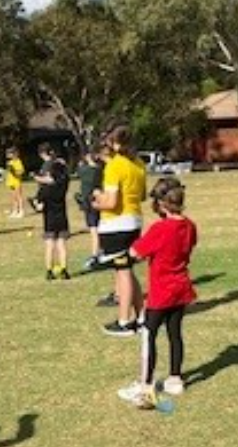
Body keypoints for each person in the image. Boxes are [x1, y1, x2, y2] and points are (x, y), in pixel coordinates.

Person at [117, 178, 197, 408]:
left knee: (148, 334)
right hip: (181, 287)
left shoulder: (161, 229)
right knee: (175, 333)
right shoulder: (189, 226)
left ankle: (146, 386)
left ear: (161, 204)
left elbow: (136, 251)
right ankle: (175, 378)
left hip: (162, 291)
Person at [91, 125, 146, 336]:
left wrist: (96, 201)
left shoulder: (115, 165)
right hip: (134, 220)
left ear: (115, 144)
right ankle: (141, 317)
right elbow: (141, 196)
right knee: (129, 270)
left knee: (122, 272)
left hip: (116, 224)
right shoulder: (138, 163)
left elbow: (111, 202)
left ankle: (124, 321)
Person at [34, 143, 71, 280]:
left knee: (49, 244)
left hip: (49, 216)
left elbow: (39, 205)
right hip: (62, 214)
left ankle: (49, 271)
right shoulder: (63, 184)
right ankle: (64, 270)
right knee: (62, 243)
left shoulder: (45, 190)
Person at [76, 146, 103, 268]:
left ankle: (95, 254)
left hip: (88, 201)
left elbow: (79, 170)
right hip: (98, 200)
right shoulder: (99, 170)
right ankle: (101, 250)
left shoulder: (84, 170)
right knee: (98, 226)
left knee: (93, 228)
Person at [5, 147, 26, 218]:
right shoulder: (10, 162)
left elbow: (21, 172)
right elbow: (8, 172)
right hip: (10, 181)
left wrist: (14, 171)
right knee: (13, 197)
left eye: (10, 154)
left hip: (17, 181)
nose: (8, 155)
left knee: (19, 196)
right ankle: (14, 210)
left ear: (15, 154)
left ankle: (21, 211)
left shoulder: (18, 161)